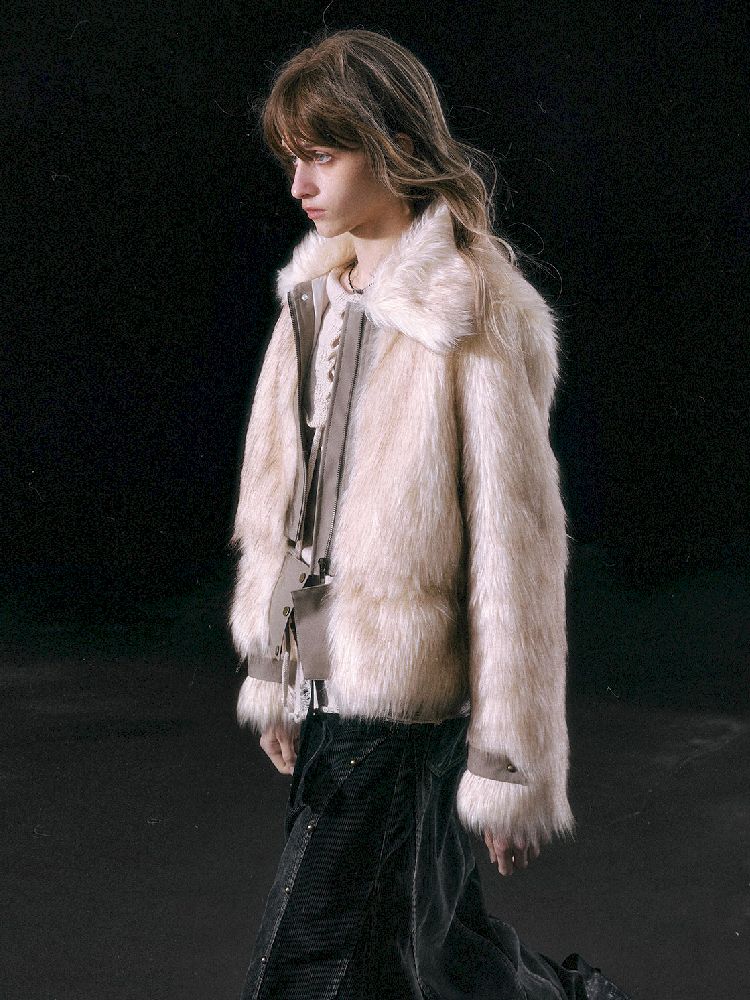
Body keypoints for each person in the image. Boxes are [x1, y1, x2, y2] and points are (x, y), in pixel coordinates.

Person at [229, 28, 630, 1000]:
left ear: (395, 145)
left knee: (314, 967)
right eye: (292, 159)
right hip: (330, 684)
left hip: (407, 702)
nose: (299, 185)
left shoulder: (473, 308)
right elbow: (288, 509)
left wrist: (508, 757)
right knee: (431, 944)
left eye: (323, 155)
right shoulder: (312, 302)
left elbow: (515, 545)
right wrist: (280, 670)